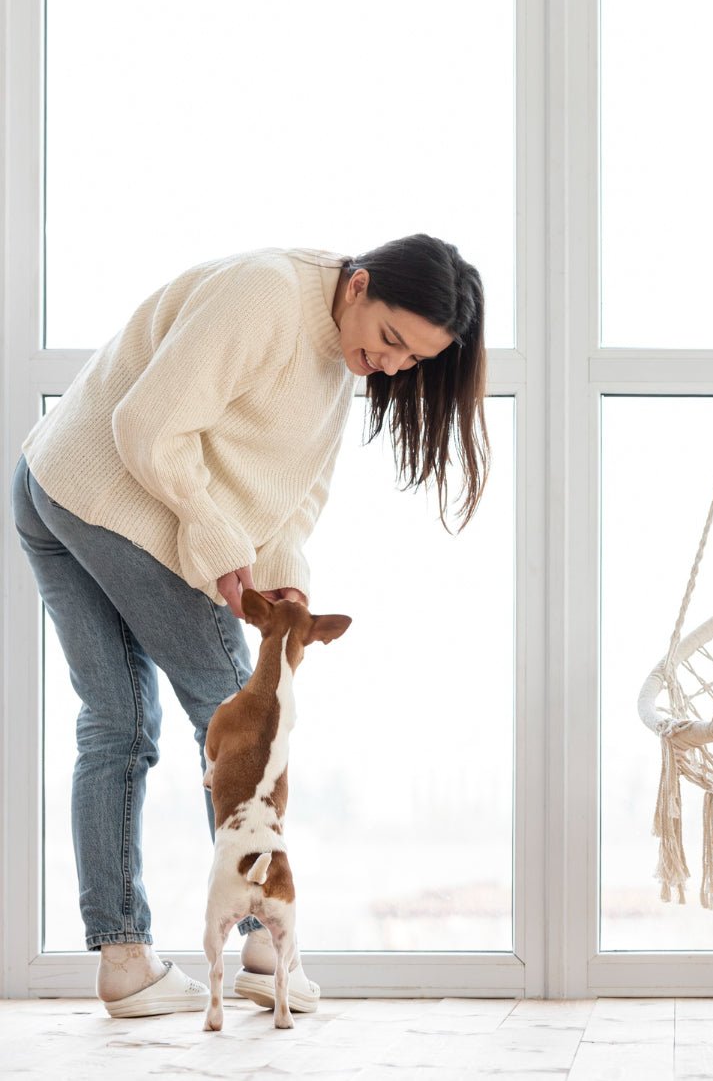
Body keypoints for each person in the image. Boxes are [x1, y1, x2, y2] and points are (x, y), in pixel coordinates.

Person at [10, 236, 488, 1016]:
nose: (394, 365)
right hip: (106, 495)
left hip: (57, 482)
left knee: (117, 723)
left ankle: (125, 961)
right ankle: (267, 943)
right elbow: (148, 425)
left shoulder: (340, 359)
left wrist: (286, 576)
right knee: (244, 711)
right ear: (357, 285)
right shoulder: (269, 295)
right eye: (392, 338)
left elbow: (291, 497)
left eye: (413, 361)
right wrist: (218, 539)